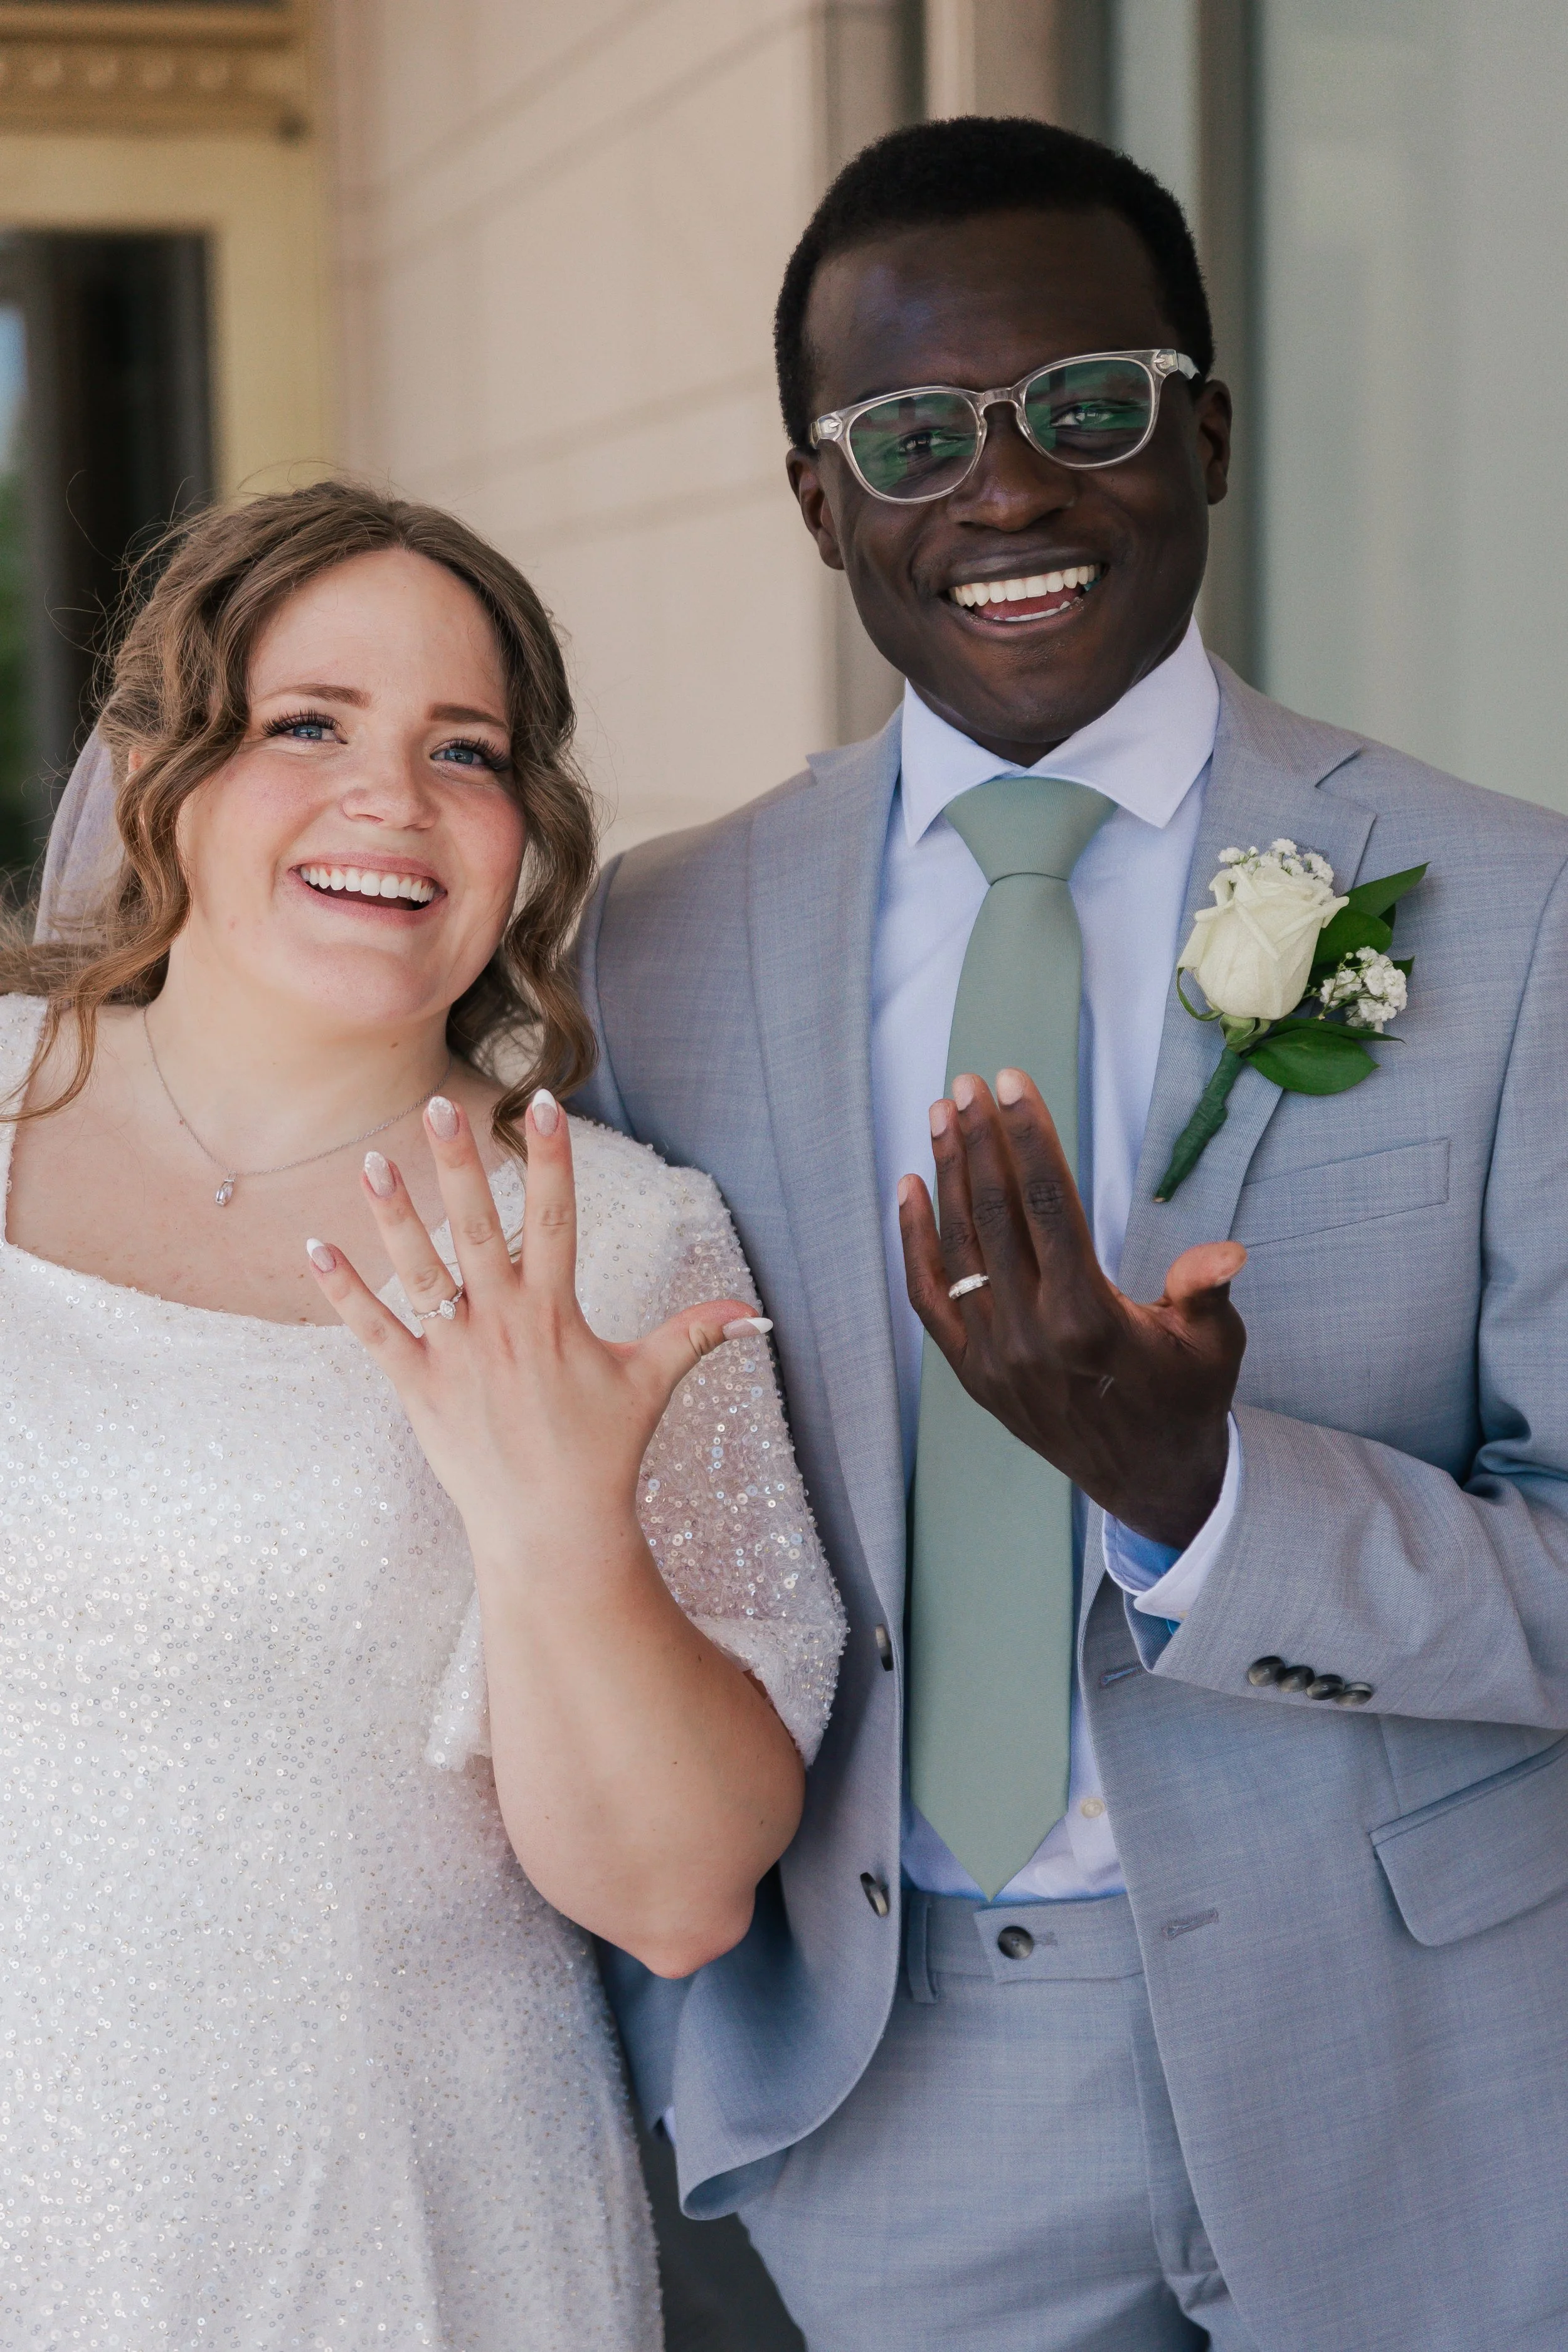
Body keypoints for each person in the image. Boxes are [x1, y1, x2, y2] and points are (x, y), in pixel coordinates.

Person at [575, 116, 1568, 2351]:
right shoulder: (658, 944)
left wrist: (1211, 1502)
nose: (1007, 492)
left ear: (1203, 431)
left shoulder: (1511, 913)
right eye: (913, 436)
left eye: (1088, 407)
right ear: (821, 501)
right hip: (897, 2094)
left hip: (1425, 2075)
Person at [1, 480, 845, 2350]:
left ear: (522, 831)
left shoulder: (611, 1236)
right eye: (308, 723)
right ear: (165, 765)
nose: (388, 795)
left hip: (387, 2238)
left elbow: (679, 1896)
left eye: (462, 750)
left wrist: (554, 1523)